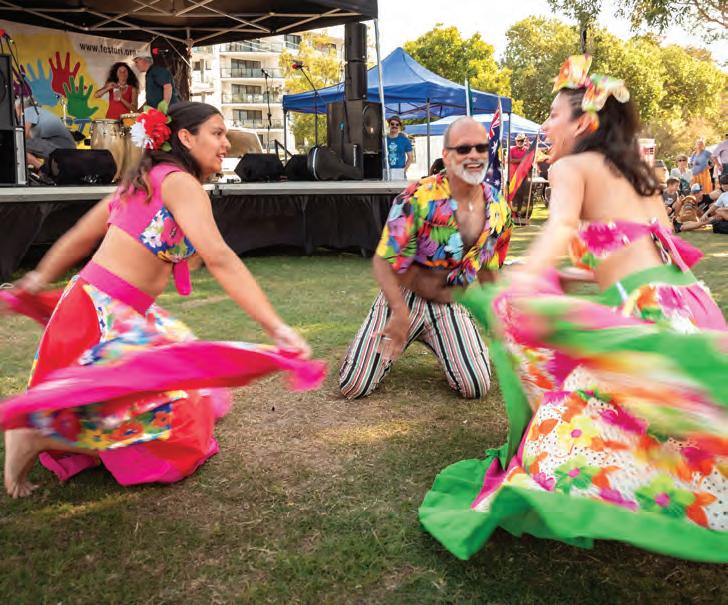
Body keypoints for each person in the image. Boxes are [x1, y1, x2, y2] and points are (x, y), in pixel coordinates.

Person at [420, 55, 728, 562]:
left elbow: (562, 227)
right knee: (690, 425)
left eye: (552, 115)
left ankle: (636, 500)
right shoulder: (639, 174)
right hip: (691, 307)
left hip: (650, 311)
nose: (543, 125)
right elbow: (642, 252)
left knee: (561, 436)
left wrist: (528, 280)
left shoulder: (570, 167)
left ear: (583, 123)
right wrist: (561, 277)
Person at [0, 102, 322, 498]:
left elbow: (82, 233)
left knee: (195, 398)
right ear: (186, 137)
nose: (226, 143)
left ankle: (48, 430)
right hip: (104, 318)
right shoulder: (180, 184)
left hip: (93, 306)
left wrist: (39, 278)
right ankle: (36, 435)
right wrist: (276, 327)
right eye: (217, 133)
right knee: (177, 443)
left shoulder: (146, 178)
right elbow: (220, 258)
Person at [339, 117, 512, 400]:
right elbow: (383, 260)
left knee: (476, 386)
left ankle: (447, 339)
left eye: (480, 148)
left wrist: (499, 322)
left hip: (449, 305)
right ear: (446, 155)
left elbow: (489, 270)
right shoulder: (418, 196)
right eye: (463, 148)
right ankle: (373, 343)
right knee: (353, 386)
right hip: (403, 299)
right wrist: (398, 311)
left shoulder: (499, 208)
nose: (474, 155)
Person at [20, 101, 76, 170]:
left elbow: (22, 136)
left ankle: (43, 169)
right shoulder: (40, 114)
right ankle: (43, 169)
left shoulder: (29, 111)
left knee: (19, 146)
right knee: (24, 147)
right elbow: (29, 140)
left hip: (60, 147)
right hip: (66, 149)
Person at [509, 132, 531, 224]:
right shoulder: (511, 150)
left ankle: (522, 215)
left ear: (524, 141)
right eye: (518, 140)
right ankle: (514, 215)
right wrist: (522, 160)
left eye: (521, 140)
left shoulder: (527, 150)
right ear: (516, 141)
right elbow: (510, 160)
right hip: (514, 177)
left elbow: (530, 161)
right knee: (515, 195)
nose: (520, 142)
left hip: (524, 176)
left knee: (524, 196)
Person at [385, 116, 412, 180]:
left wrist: (404, 170)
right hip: (386, 171)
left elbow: (410, 158)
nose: (394, 126)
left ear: (399, 126)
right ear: (389, 125)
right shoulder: (384, 140)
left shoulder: (405, 140)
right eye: (392, 124)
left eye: (397, 124)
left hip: (400, 171)